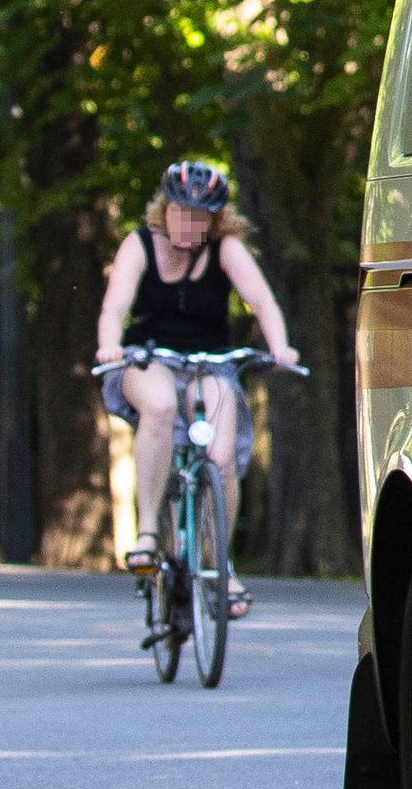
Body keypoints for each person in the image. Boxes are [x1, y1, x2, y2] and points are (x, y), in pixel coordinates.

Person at [93, 160, 299, 618]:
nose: (189, 226)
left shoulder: (225, 249)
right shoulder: (139, 244)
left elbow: (262, 300)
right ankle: (148, 532)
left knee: (220, 459)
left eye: (200, 218)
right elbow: (115, 305)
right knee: (162, 407)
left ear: (215, 220)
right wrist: (109, 345)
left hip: (210, 363)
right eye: (181, 214)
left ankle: (219, 566)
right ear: (164, 211)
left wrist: (279, 347)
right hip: (148, 359)